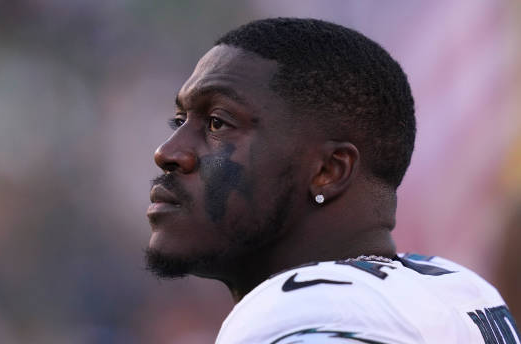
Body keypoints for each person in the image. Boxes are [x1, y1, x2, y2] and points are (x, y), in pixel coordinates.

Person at [145, 18, 520, 343]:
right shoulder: (457, 286)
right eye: (179, 122)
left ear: (329, 171)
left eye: (217, 123)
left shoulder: (309, 308)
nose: (168, 152)